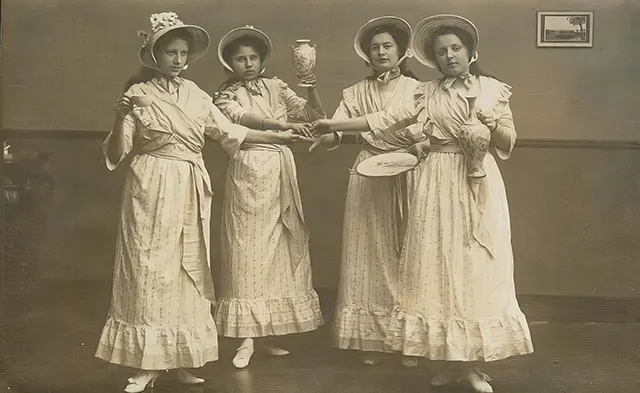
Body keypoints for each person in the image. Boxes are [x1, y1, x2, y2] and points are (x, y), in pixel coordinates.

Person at [316, 14, 534, 393]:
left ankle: (471, 366)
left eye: (455, 49)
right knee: (437, 267)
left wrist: (489, 124)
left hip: (476, 181)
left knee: (474, 268)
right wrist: (332, 126)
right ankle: (449, 362)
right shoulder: (425, 93)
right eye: (441, 51)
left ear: (471, 51)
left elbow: (509, 142)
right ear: (433, 59)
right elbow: (384, 119)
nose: (449, 56)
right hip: (435, 181)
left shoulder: (493, 89)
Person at [95, 13, 305, 392]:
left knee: (188, 272)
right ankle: (147, 365)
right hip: (149, 187)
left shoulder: (196, 94)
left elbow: (231, 132)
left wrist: (281, 135)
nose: (177, 60)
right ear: (154, 55)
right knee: (148, 270)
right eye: (170, 52)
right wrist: (120, 114)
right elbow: (117, 152)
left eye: (182, 53)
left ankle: (179, 362)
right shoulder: (138, 95)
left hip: (190, 187)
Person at [309, 16, 429, 367]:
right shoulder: (354, 93)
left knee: (406, 251)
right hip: (366, 171)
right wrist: (313, 106)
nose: (380, 52)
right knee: (367, 253)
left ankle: (408, 340)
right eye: (374, 47)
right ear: (366, 54)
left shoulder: (417, 90)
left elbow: (415, 128)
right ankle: (372, 339)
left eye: (387, 46)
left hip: (407, 169)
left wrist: (418, 147)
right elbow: (332, 133)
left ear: (401, 51)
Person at [212, 25, 325, 369]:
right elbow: (241, 121)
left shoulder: (277, 86)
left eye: (253, 58)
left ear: (261, 60)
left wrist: (310, 83)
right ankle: (245, 337)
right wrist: (280, 128)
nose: (247, 64)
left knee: (277, 251)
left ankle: (267, 333)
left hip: (280, 171)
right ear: (231, 63)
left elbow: (313, 116)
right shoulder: (223, 96)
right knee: (246, 252)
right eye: (240, 59)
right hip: (248, 171)